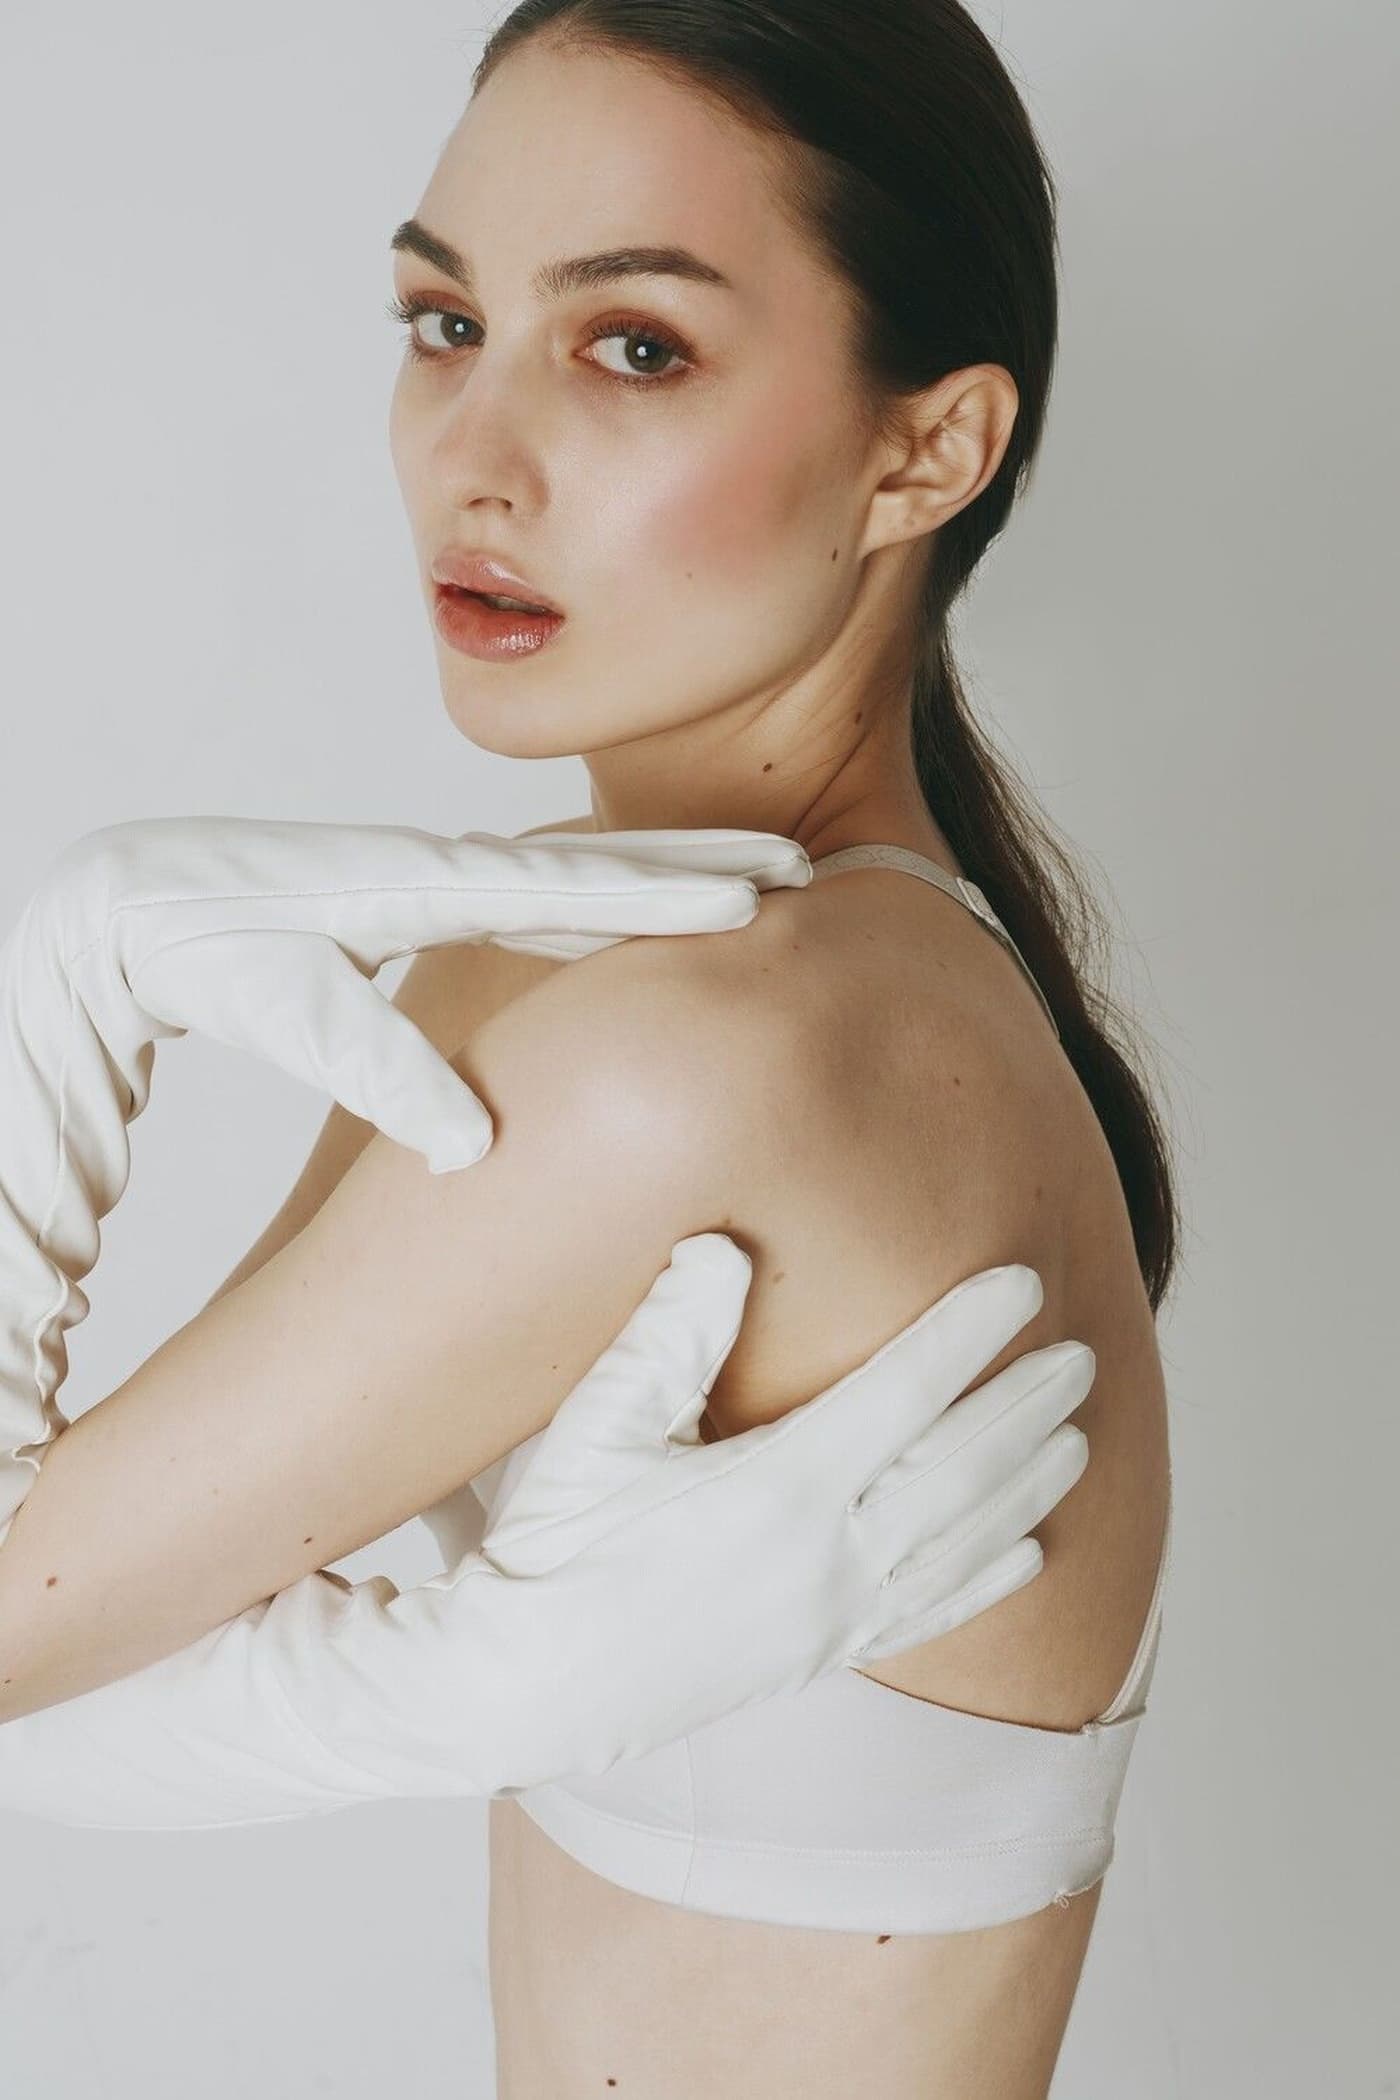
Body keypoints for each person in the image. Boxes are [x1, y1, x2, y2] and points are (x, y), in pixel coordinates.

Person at [0, 6, 1176, 2098]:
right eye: (444, 322)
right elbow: (63, 1630)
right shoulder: (568, 958)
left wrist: (58, 1003)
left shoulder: (709, 1053)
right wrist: (414, 1695)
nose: (477, 452)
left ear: (926, 451)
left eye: (635, 346)